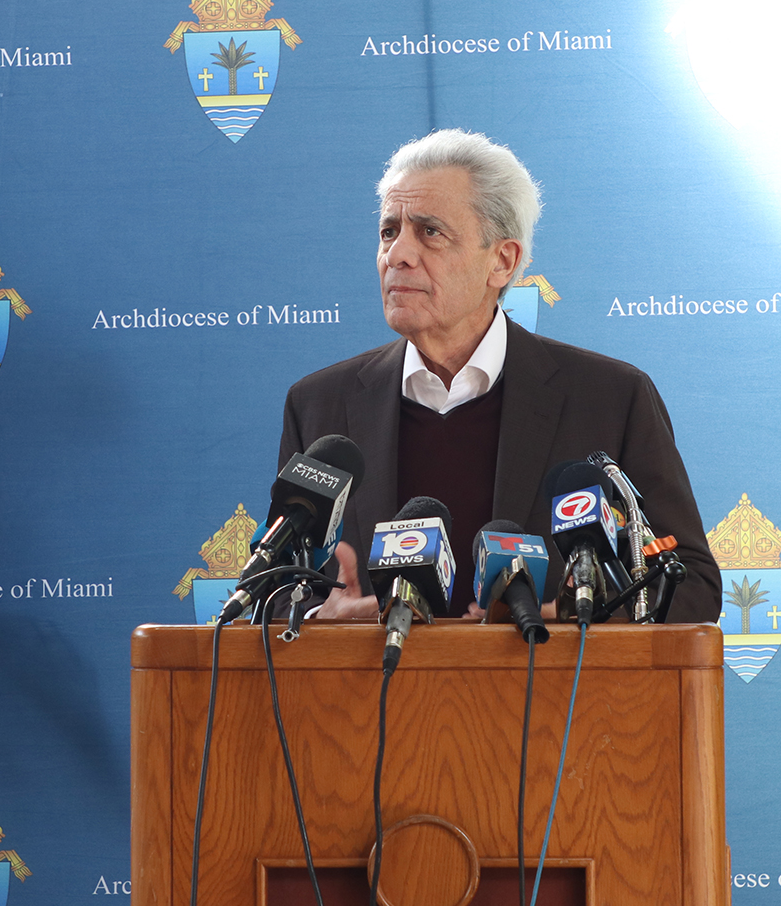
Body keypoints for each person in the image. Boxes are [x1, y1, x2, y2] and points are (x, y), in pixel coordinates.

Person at [277, 129, 722, 622]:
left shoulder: (612, 399)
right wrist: (321, 619)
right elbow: (268, 594)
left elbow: (691, 586)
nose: (397, 255)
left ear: (502, 261)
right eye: (388, 231)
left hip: (551, 696)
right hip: (371, 694)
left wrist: (565, 615)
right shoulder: (319, 404)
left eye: (429, 232)